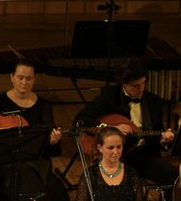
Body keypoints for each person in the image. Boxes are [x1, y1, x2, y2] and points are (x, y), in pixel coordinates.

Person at [0, 60, 67, 201]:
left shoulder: (43, 105)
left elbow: (50, 143)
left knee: (36, 177)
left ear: (34, 79)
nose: (24, 82)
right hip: (4, 160)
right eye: (20, 77)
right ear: (12, 77)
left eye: (28, 78)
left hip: (34, 160)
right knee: (21, 173)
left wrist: (52, 141)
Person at [74, 58, 176, 187]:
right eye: (135, 86)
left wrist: (164, 140)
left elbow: (157, 133)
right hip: (116, 155)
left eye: (143, 83)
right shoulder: (109, 96)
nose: (141, 88)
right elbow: (81, 119)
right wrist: (111, 128)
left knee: (173, 175)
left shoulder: (153, 101)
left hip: (144, 154)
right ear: (124, 83)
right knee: (123, 184)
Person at [74, 126, 144, 201]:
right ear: (100, 148)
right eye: (110, 148)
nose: (115, 152)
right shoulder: (91, 174)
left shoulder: (132, 174)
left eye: (119, 147)